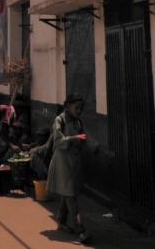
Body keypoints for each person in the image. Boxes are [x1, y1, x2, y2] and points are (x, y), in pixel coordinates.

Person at [47, 94, 106, 244]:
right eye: (76, 108)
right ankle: (81, 230)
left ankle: (61, 220)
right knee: (71, 195)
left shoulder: (78, 121)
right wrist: (73, 139)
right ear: (67, 106)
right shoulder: (59, 120)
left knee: (68, 192)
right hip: (62, 163)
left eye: (81, 108)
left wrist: (99, 148)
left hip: (73, 163)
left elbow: (87, 137)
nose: (79, 111)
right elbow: (58, 140)